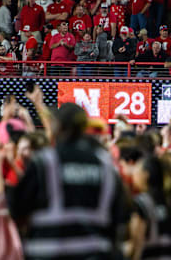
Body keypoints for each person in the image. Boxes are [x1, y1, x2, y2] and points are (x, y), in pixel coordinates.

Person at [11, 103, 130, 260]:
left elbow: (17, 208)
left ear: (58, 127)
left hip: (48, 253)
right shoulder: (106, 165)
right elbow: (121, 216)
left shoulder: (44, 162)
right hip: (96, 253)